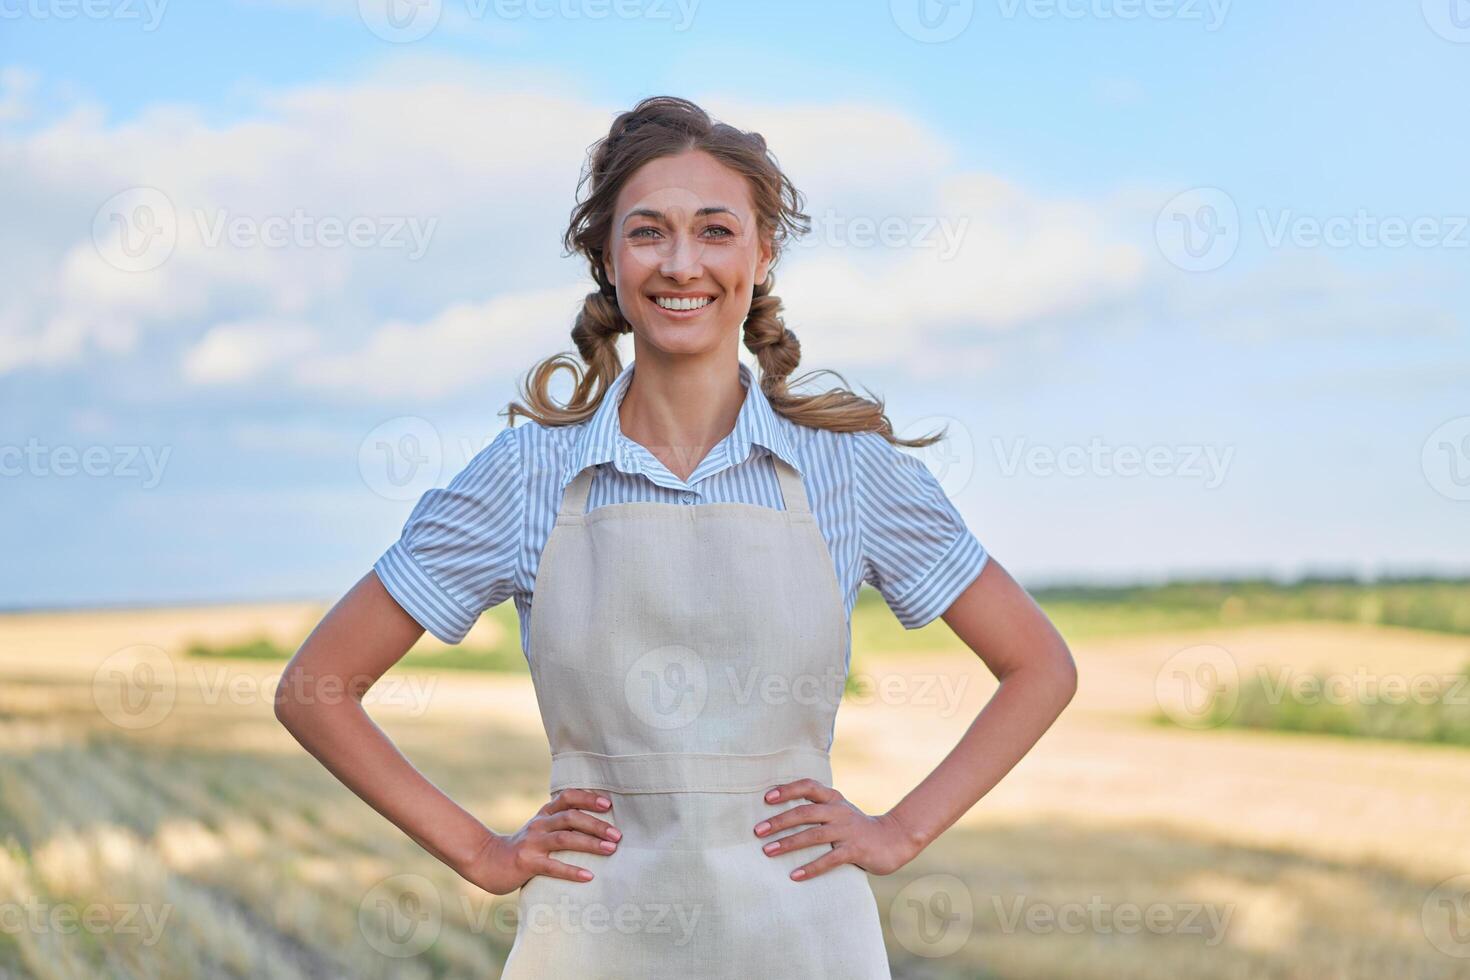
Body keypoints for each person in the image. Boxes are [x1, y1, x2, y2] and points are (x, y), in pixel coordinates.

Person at [276, 95, 1078, 978]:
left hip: (802, 941)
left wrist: (899, 831)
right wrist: (481, 854)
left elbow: (1039, 667)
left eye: (716, 231)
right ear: (608, 259)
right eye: (648, 231)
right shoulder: (525, 476)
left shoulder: (847, 471)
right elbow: (316, 690)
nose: (681, 263)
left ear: (763, 254)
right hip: (588, 944)